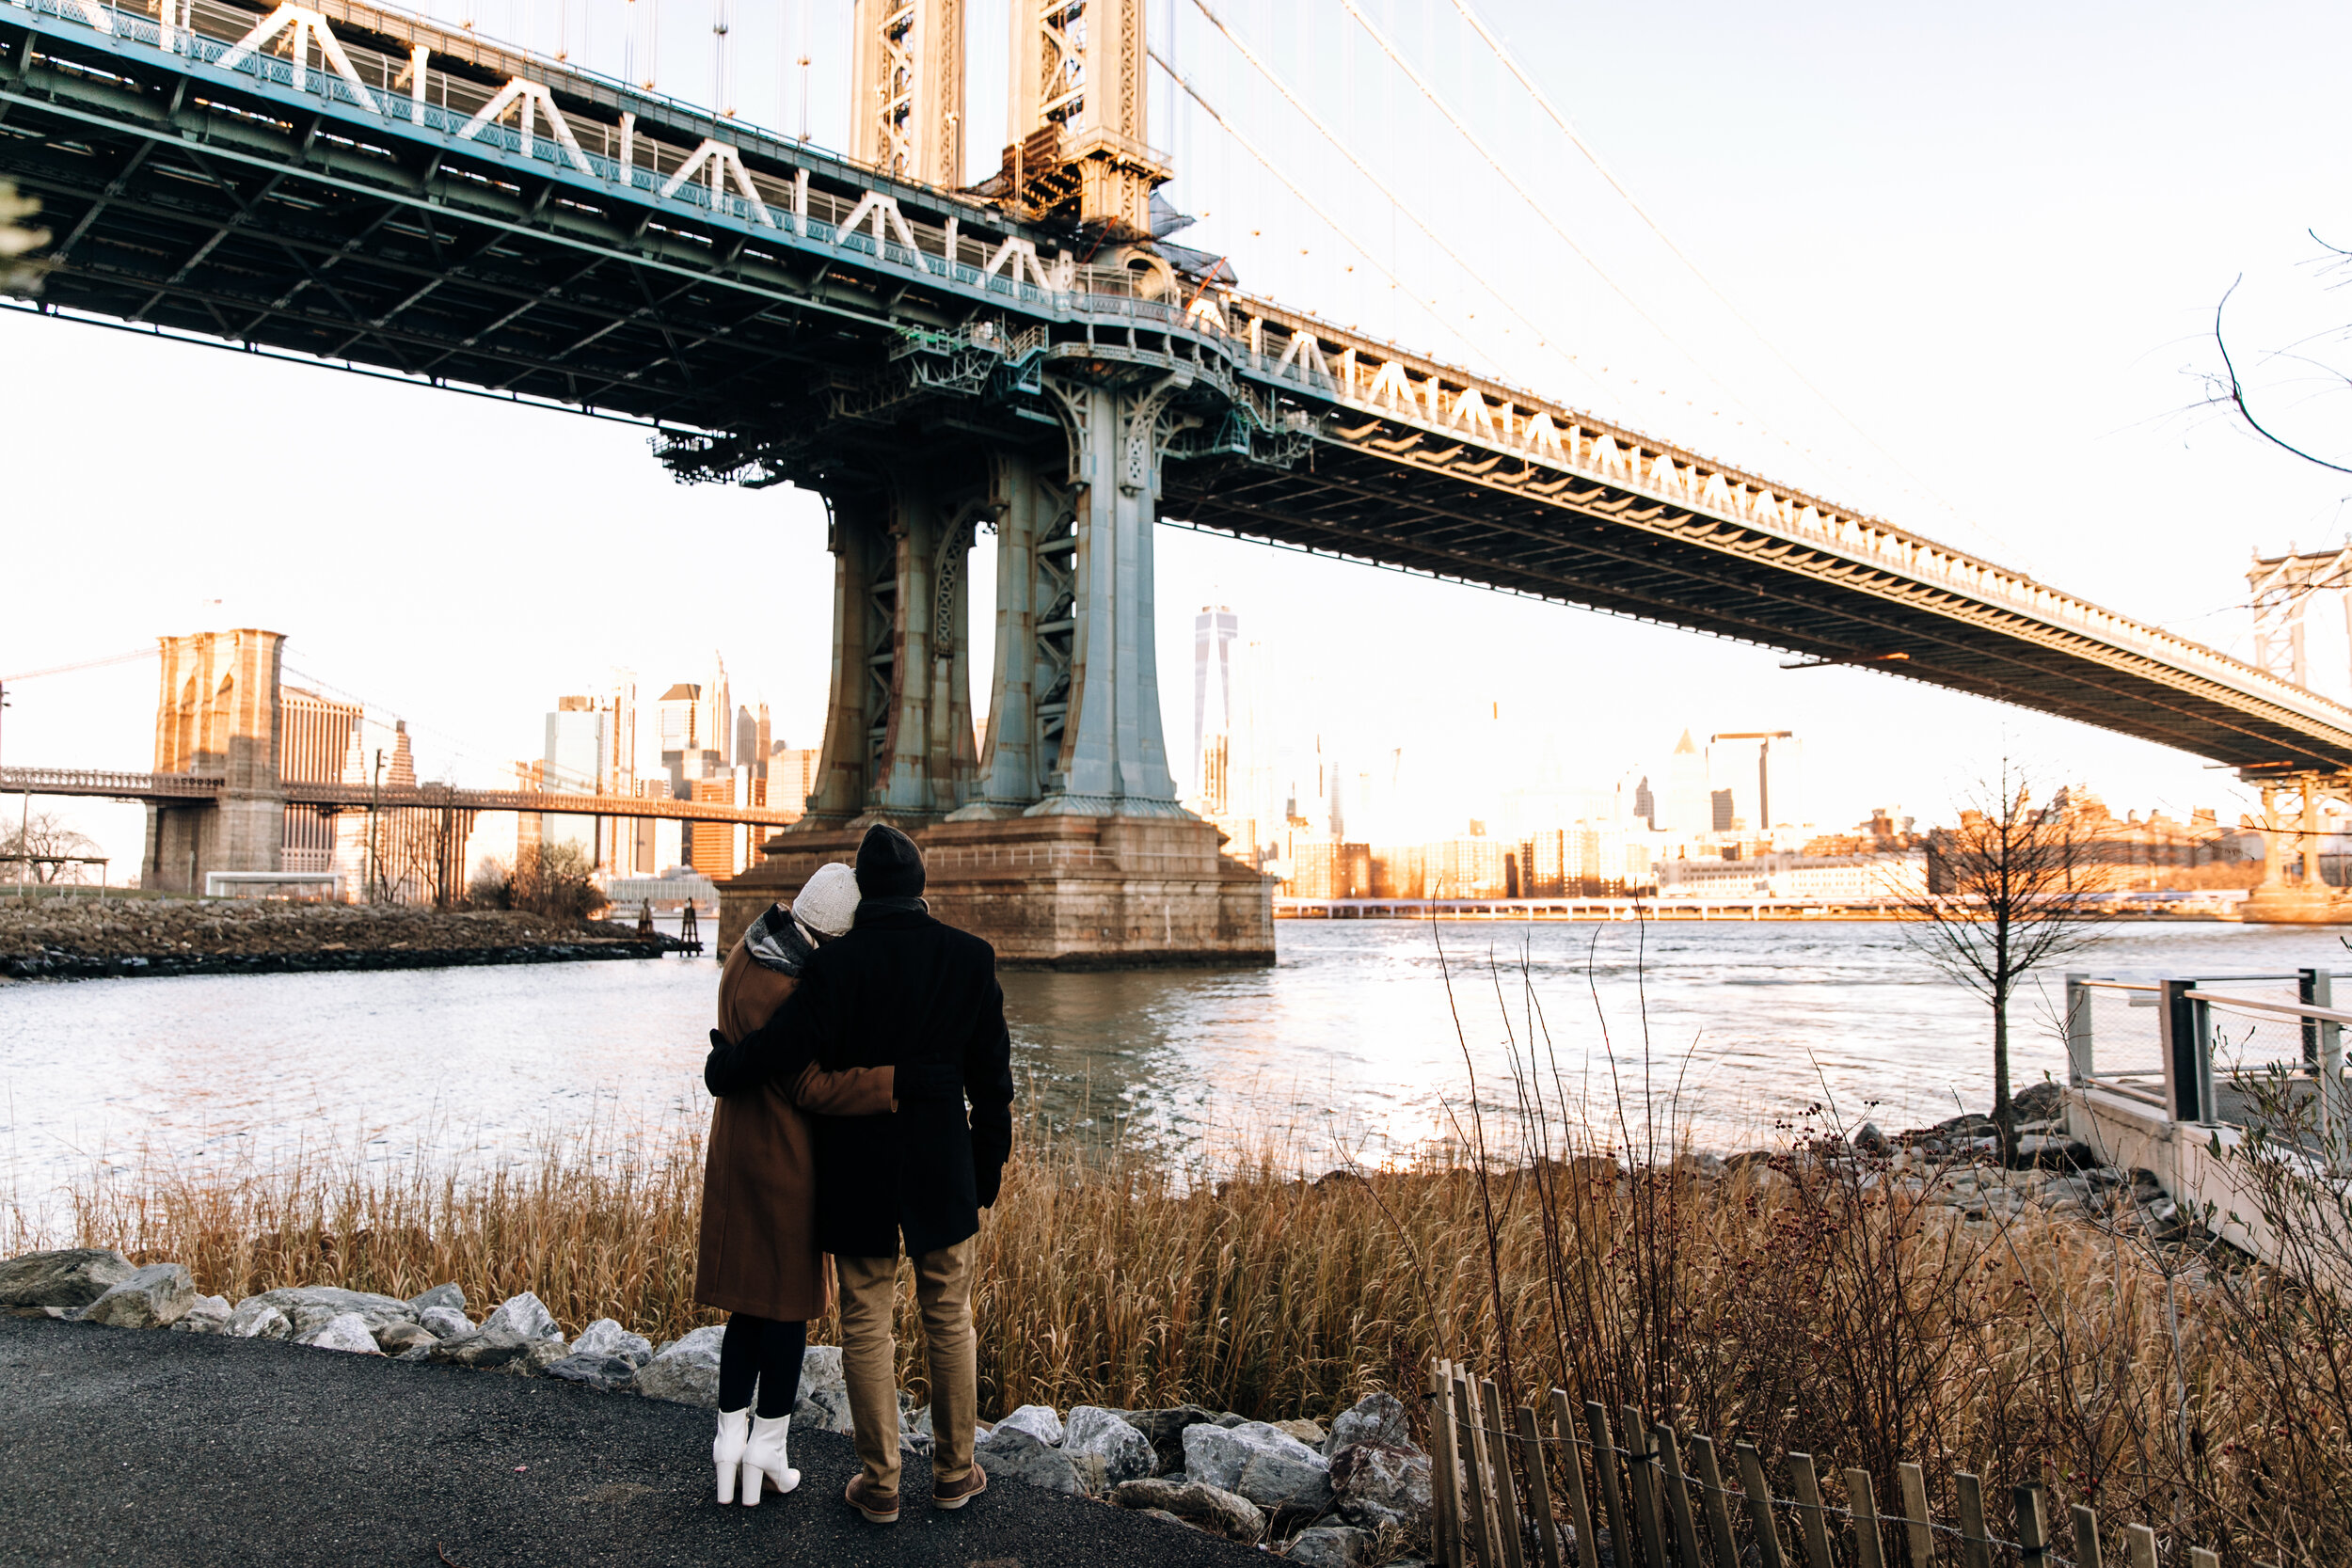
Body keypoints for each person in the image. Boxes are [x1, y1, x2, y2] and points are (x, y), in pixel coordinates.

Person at [746, 822, 1014, 1526]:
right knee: (949, 1315)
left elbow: (781, 1049)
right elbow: (994, 1084)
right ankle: (956, 1473)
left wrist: (725, 1067)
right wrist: (984, 1168)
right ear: (921, 887)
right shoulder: (970, 958)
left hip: (858, 1167)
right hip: (941, 1164)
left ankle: (881, 1484)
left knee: (866, 1322)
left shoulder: (836, 966)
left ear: (864, 893)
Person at [695, 862, 895, 1508]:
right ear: (834, 934)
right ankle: (770, 1450)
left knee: (747, 1309)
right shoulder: (791, 989)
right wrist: (893, 1083)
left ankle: (729, 1444)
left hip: (735, 1152)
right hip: (782, 1161)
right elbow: (809, 1085)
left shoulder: (744, 954)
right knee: (786, 1309)